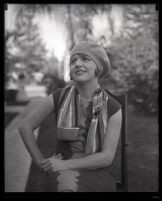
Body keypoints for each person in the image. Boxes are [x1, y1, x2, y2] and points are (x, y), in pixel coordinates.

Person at [19, 41, 122, 192]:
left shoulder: (113, 108)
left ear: (98, 68)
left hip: (98, 173)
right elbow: (25, 127)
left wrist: (64, 165)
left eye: (85, 59)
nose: (77, 64)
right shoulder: (59, 97)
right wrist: (42, 163)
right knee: (66, 185)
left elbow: (106, 157)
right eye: (73, 61)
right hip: (61, 172)